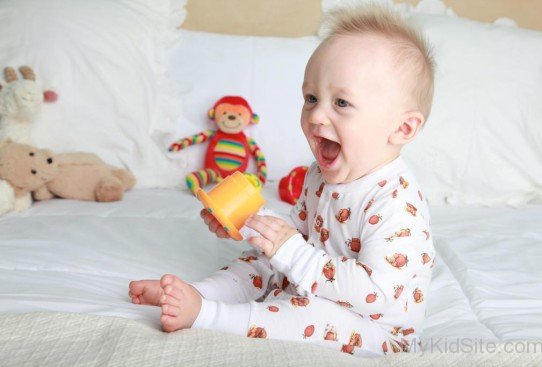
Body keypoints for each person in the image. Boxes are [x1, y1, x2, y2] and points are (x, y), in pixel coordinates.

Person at [129, 5, 436, 356]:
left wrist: (292, 253)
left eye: (341, 102)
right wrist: (248, 224)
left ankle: (209, 316)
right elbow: (300, 236)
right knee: (258, 262)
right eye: (311, 98)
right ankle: (199, 293)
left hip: (374, 328)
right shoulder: (320, 173)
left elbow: (377, 294)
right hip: (317, 281)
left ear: (402, 128)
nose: (317, 115)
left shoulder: (396, 204)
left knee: (312, 313)